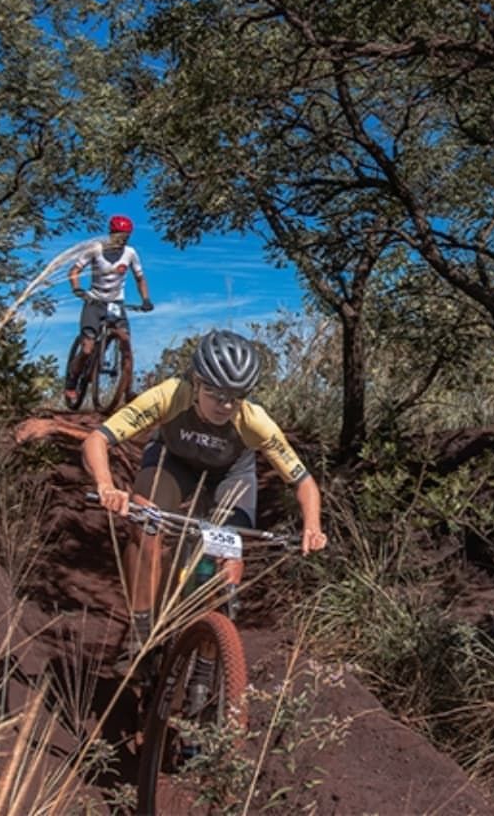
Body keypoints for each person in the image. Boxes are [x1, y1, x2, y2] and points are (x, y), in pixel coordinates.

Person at [80, 328, 326, 672]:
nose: (226, 405)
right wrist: (106, 486)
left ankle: (208, 664)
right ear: (196, 382)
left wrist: (312, 526)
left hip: (230, 478)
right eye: (216, 394)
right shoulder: (169, 395)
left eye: (237, 396)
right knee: (146, 528)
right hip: (172, 463)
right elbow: (97, 439)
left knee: (225, 559)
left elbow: (304, 482)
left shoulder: (255, 421)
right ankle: (140, 635)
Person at [65, 214, 153, 404]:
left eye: (126, 237)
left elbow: (140, 278)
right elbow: (74, 271)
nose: (122, 240)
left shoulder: (130, 253)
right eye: (119, 236)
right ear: (111, 234)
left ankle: (127, 389)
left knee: (125, 343)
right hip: (94, 302)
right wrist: (77, 289)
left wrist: (145, 299)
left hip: (116, 304)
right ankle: (72, 381)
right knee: (87, 349)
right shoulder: (95, 249)